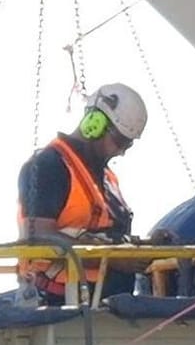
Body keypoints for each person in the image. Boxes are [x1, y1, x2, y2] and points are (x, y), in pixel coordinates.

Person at [17, 82, 168, 304]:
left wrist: (147, 245)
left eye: (128, 145)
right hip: (60, 303)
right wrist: (111, 259)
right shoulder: (49, 166)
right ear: (94, 124)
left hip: (107, 301)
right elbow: (37, 237)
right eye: (119, 142)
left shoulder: (106, 178)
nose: (122, 152)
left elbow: (106, 235)